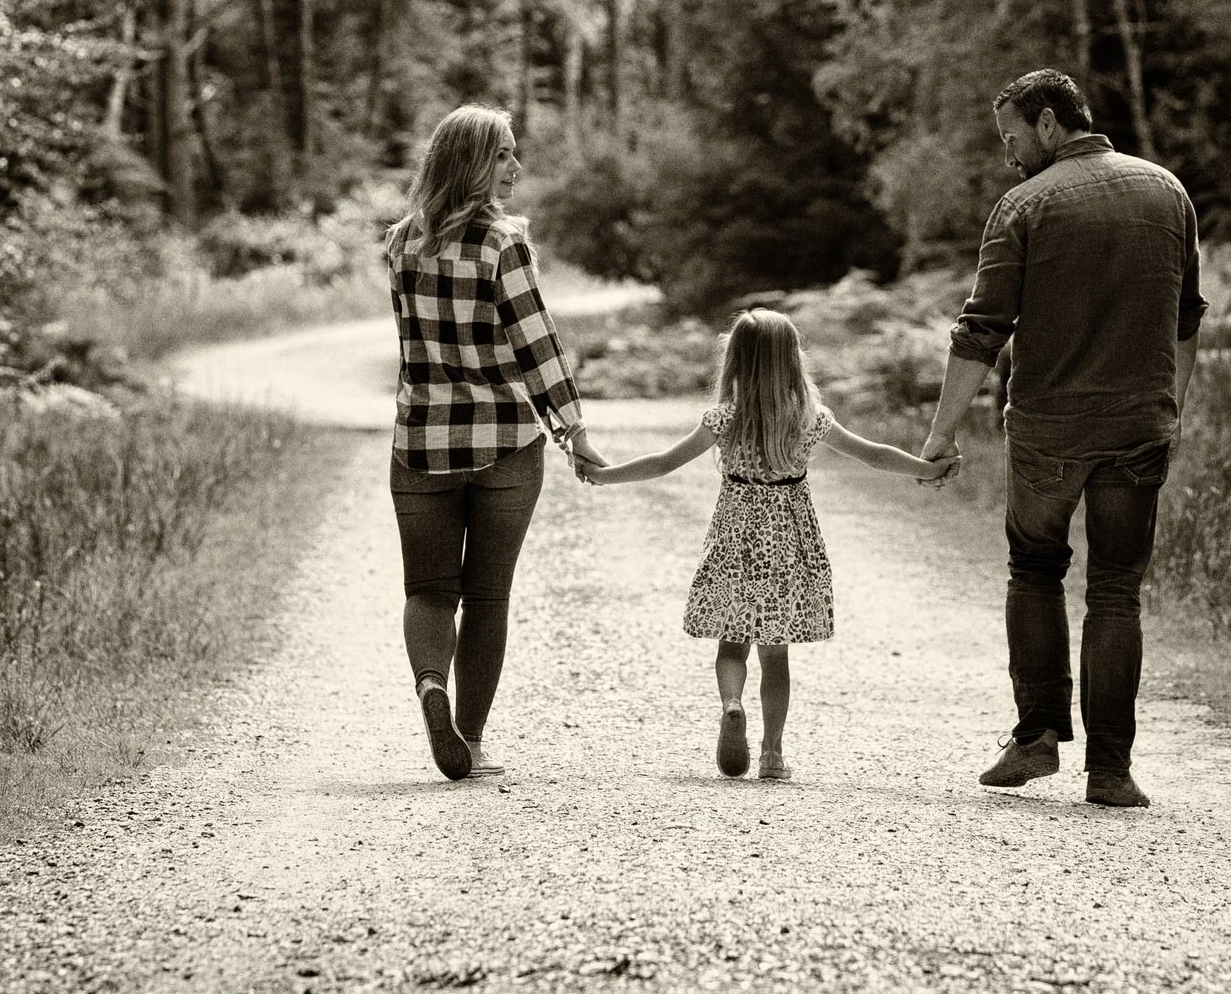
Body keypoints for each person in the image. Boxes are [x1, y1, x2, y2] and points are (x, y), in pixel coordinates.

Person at [919, 70, 1206, 809]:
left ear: (1049, 124)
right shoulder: (1168, 192)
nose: (1009, 155)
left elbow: (981, 329)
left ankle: (1038, 734)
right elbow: (1187, 317)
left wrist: (940, 435)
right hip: (1140, 426)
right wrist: (1170, 411)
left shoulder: (1024, 205)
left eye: (1013, 137)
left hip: (1051, 429)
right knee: (1117, 590)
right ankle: (1110, 769)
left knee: (1036, 568)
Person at [576, 308, 942, 780]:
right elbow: (874, 455)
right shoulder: (812, 420)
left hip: (735, 543)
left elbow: (664, 463)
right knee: (776, 655)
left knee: (732, 645)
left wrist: (605, 475)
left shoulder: (723, 419)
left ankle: (732, 704)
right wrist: (928, 469)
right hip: (790, 548)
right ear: (792, 361)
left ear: (735, 362)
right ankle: (772, 754)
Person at [383, 104, 603, 781]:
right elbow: (537, 344)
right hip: (505, 442)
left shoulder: (400, 243)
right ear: (475, 161)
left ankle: (430, 686)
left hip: (420, 443)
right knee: (486, 597)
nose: (516, 166)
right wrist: (574, 430)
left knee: (427, 591)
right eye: (505, 154)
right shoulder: (502, 243)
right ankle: (470, 741)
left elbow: (414, 348)